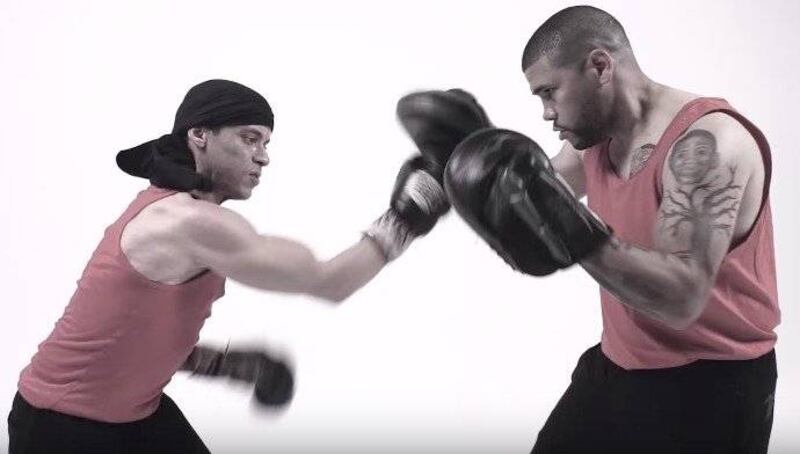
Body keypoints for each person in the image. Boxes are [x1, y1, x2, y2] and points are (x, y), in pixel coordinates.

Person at [7, 79, 489, 454]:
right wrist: (407, 216)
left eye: (266, 142)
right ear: (199, 135)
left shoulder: (177, 208)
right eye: (249, 138)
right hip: (61, 427)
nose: (263, 157)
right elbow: (328, 282)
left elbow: (122, 330)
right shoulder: (186, 221)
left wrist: (218, 364)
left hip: (138, 414)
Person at [444, 6, 779, 454]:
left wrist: (573, 231)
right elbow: (534, 189)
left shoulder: (706, 145)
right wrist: (464, 160)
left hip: (712, 385)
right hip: (619, 365)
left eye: (549, 92)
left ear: (600, 66)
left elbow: (683, 298)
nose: (546, 113)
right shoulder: (594, 138)